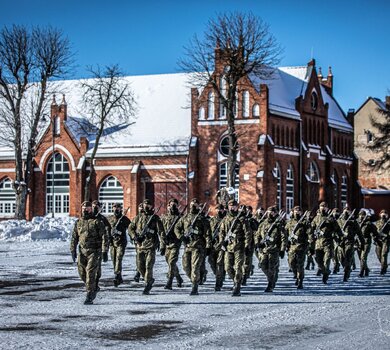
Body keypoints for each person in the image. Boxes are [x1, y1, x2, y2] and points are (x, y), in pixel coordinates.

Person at [70, 201, 109, 304]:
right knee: (82, 273)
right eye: (83, 209)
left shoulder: (97, 222)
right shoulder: (78, 222)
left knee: (90, 272)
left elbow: (104, 236)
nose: (85, 210)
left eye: (87, 208)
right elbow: (74, 237)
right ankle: (94, 286)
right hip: (82, 251)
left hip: (94, 251)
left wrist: (105, 251)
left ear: (91, 209)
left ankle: (90, 295)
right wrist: (72, 250)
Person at [175, 198, 211, 295]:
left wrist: (208, 246)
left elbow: (208, 233)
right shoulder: (185, 217)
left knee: (195, 267)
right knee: (186, 266)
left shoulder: (202, 219)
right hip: (188, 245)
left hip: (198, 246)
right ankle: (198, 277)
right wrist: (181, 237)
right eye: (192, 205)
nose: (193, 206)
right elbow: (177, 228)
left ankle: (195, 287)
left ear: (199, 206)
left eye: (195, 205)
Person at [128, 199, 164, 295]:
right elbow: (130, 228)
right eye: (145, 205)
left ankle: (147, 284)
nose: (146, 206)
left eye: (148, 205)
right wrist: (135, 237)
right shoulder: (138, 217)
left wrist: (163, 245)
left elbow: (161, 232)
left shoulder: (155, 218)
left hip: (151, 246)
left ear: (152, 206)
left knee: (149, 266)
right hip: (140, 246)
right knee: (140, 266)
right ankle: (149, 279)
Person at [218, 200, 251, 296]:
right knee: (227, 267)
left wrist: (247, 245)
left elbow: (248, 233)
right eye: (230, 206)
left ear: (237, 207)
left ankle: (237, 286)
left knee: (238, 267)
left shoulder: (242, 219)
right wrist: (222, 242)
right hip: (228, 246)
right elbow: (222, 232)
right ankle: (236, 281)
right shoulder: (226, 219)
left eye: (234, 206)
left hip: (239, 246)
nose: (232, 208)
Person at [254, 206, 287, 292]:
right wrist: (258, 243)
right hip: (264, 249)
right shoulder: (263, 223)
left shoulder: (279, 224)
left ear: (276, 213)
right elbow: (257, 235)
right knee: (263, 265)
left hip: (274, 249)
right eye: (269, 212)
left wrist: (282, 249)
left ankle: (270, 285)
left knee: (271, 267)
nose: (270, 214)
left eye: (272, 212)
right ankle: (272, 277)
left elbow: (284, 237)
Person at [311, 202, 342, 284]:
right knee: (318, 261)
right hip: (318, 243)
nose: (323, 208)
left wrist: (339, 238)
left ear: (327, 208)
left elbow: (338, 230)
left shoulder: (331, 219)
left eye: (324, 207)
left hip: (328, 242)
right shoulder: (316, 218)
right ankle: (325, 271)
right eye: (321, 206)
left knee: (327, 260)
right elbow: (311, 229)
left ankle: (325, 276)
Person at [160, 198, 184, 289]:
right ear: (168, 206)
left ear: (177, 206)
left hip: (175, 243)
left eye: (174, 205)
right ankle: (178, 277)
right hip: (167, 243)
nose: (172, 206)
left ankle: (169, 282)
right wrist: (162, 245)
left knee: (172, 262)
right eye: (171, 205)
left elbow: (183, 229)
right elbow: (161, 232)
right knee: (170, 263)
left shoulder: (181, 217)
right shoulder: (164, 217)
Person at [285, 206, 310, 289]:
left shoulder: (305, 222)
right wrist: (286, 244)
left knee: (300, 264)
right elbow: (285, 234)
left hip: (301, 246)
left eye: (299, 211)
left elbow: (309, 233)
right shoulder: (290, 222)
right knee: (291, 263)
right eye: (295, 211)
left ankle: (300, 281)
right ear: (293, 212)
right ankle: (296, 274)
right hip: (292, 246)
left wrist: (310, 245)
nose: (297, 212)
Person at [337, 206, 363, 282]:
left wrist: (362, 242)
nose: (346, 211)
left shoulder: (353, 222)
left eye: (348, 210)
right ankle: (347, 268)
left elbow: (359, 232)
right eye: (345, 210)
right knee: (341, 258)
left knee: (348, 257)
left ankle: (346, 274)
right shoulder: (339, 220)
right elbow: (335, 230)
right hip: (341, 242)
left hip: (350, 241)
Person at [108, 203, 131, 286]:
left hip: (121, 242)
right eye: (114, 208)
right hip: (112, 242)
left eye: (118, 208)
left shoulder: (124, 219)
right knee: (114, 260)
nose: (116, 209)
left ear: (121, 209)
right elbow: (105, 229)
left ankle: (117, 275)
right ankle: (119, 276)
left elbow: (131, 228)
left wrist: (134, 237)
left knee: (119, 258)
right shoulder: (109, 219)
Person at [91, 200, 111, 291]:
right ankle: (91, 283)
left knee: (97, 266)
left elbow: (107, 233)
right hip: (87, 246)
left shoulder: (102, 219)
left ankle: (95, 283)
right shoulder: (87, 217)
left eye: (97, 206)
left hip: (98, 246)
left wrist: (105, 250)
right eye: (94, 206)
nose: (95, 207)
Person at [208, 204, 226, 291]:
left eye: (221, 209)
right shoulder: (212, 220)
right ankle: (220, 275)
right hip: (213, 245)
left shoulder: (226, 219)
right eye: (217, 209)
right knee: (211, 261)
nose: (219, 211)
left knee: (219, 263)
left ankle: (218, 283)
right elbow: (208, 231)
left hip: (222, 245)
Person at [357, 209, 379, 277]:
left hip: (366, 242)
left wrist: (376, 239)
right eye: (360, 215)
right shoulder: (356, 222)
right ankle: (366, 269)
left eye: (362, 215)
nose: (361, 216)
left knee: (363, 257)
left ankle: (361, 272)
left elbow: (375, 232)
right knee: (361, 258)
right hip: (358, 242)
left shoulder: (369, 224)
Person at [242, 205, 258, 285]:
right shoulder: (241, 219)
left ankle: (244, 277)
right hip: (240, 243)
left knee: (247, 260)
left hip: (250, 244)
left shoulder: (252, 220)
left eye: (248, 210)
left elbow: (256, 231)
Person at [376, 209, 390, 275]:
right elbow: (374, 231)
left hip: (386, 241)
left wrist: (385, 235)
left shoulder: (389, 223)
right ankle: (384, 265)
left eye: (385, 213)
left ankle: (383, 269)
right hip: (378, 241)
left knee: (384, 254)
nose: (383, 214)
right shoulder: (377, 222)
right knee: (379, 255)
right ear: (380, 214)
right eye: (382, 213)